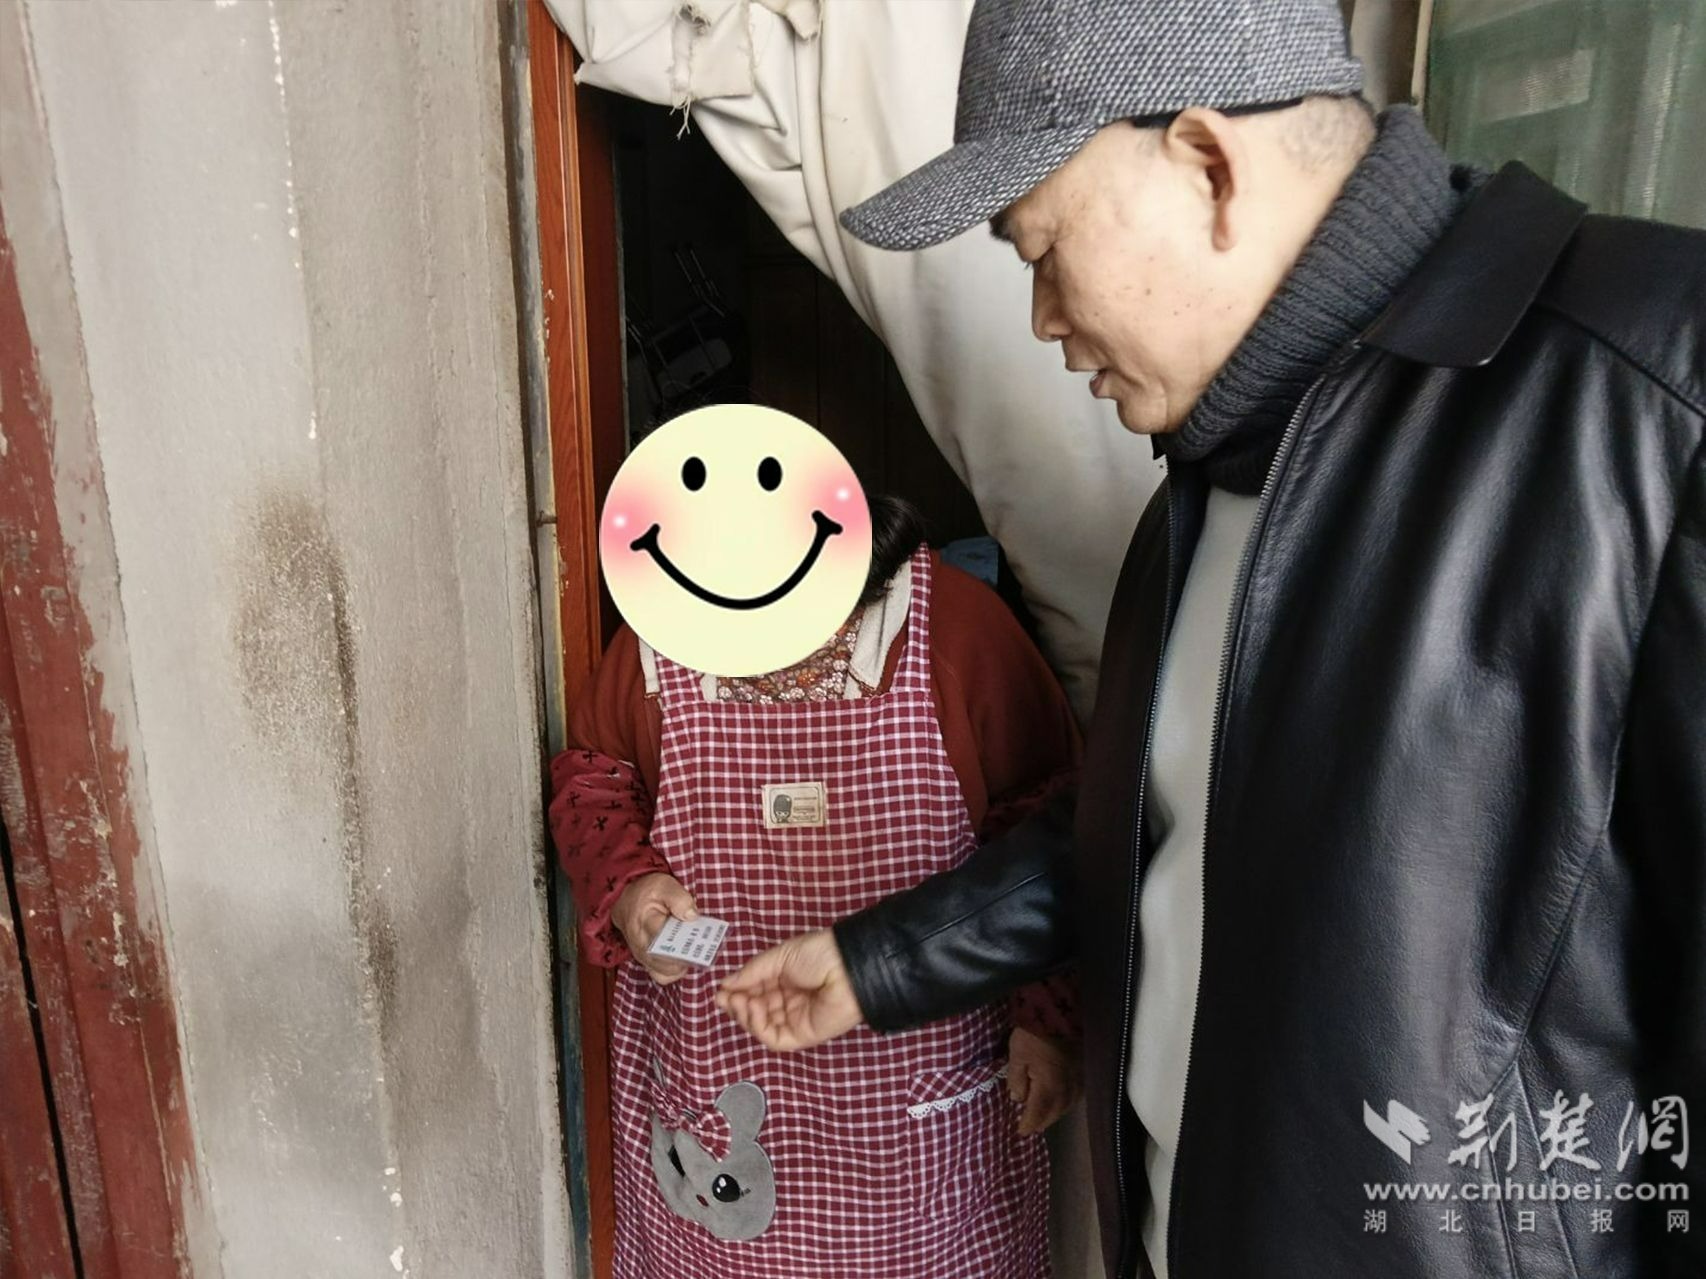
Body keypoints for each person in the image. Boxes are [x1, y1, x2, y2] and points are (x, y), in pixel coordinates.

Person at [716, 2, 1706, 1278]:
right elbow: (1169, 833)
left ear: (1204, 165)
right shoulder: (1199, 496)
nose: (1041, 320)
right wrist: (882, 961)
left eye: (1040, 249)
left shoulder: (1650, 391)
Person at [550, 494, 1083, 1278]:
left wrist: (1050, 1017)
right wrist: (628, 886)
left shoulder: (954, 627)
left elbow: (1049, 831)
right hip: (712, 1063)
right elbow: (593, 779)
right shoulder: (660, 637)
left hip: (919, 1091)